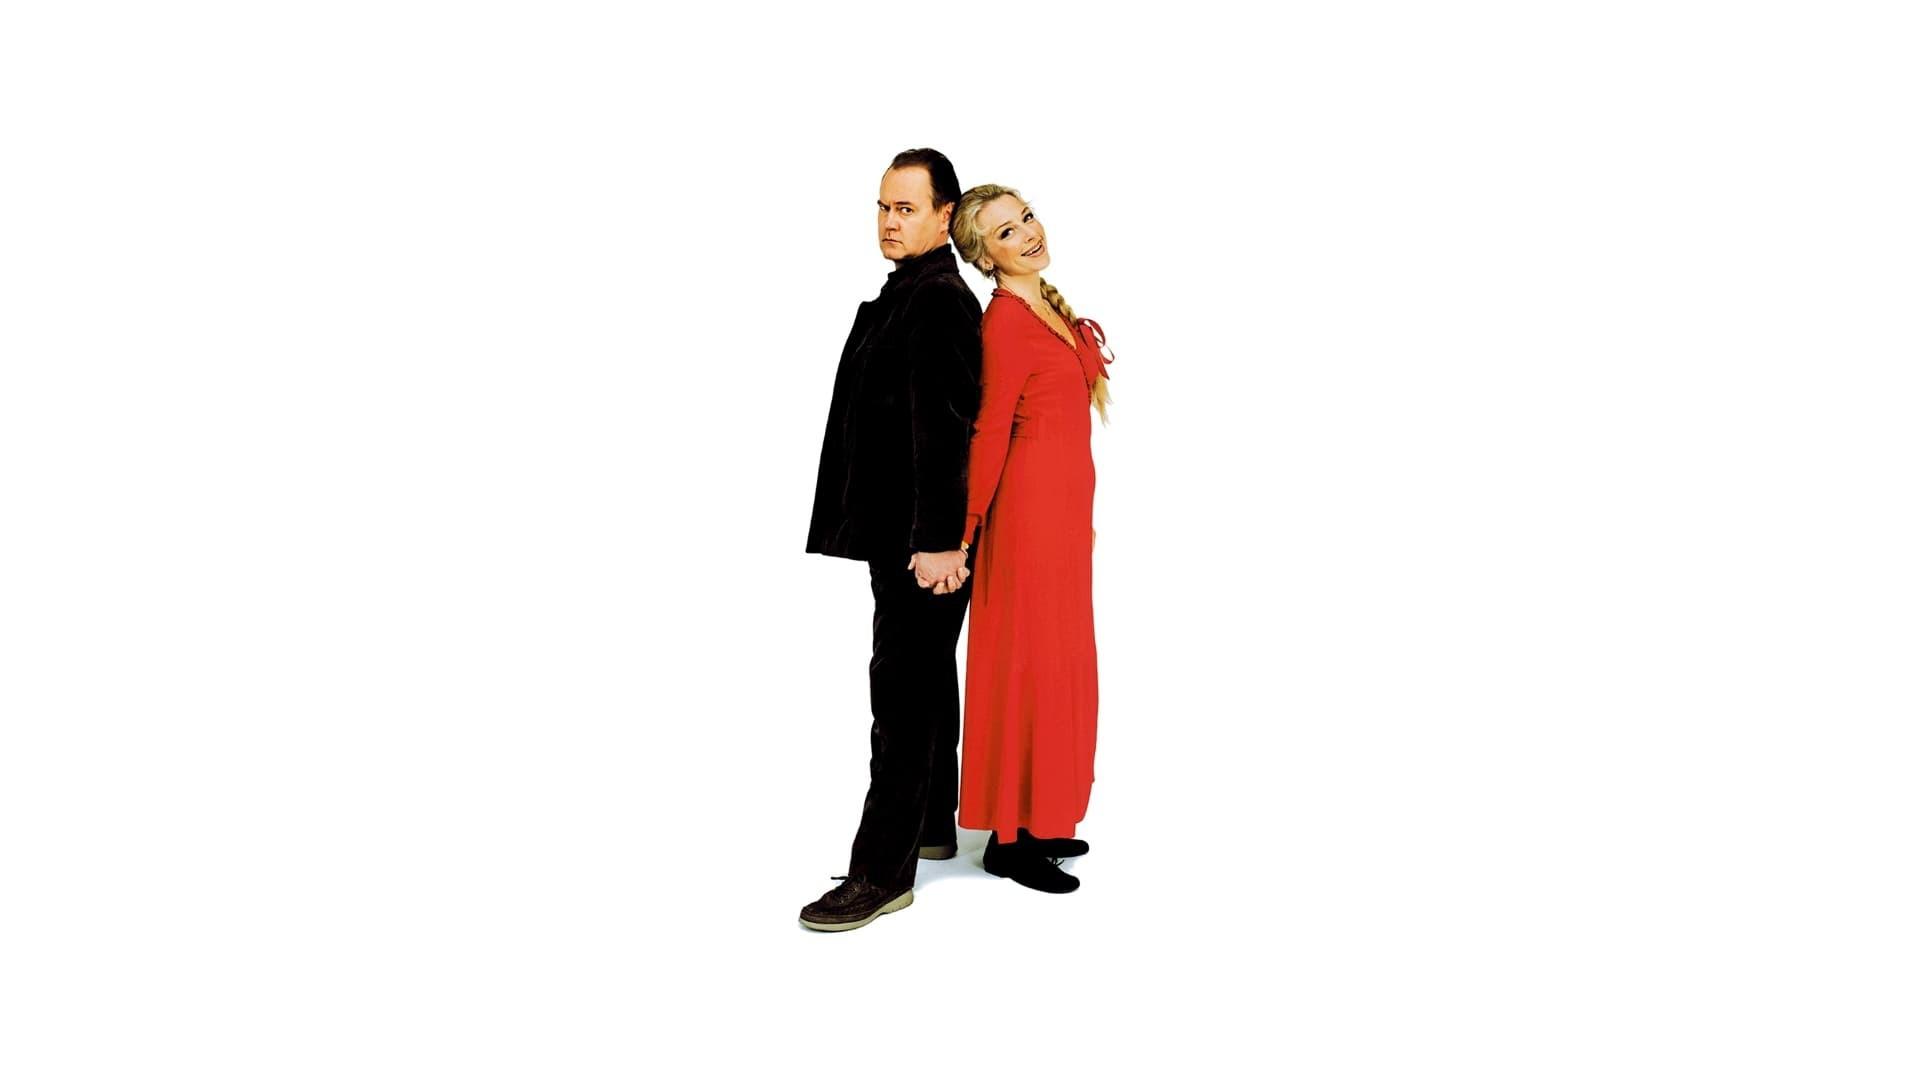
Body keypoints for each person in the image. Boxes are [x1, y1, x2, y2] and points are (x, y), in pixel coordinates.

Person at [798, 149, 983, 932]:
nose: (888, 222)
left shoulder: (937, 299)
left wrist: (939, 542)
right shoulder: (912, 291)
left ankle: (881, 872)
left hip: (923, 541)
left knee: (901, 697)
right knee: (924, 680)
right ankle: (932, 825)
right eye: (882, 207)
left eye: (906, 209)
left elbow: (946, 428)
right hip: (905, 535)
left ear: (946, 215)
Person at [936, 183, 1113, 893]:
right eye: (1006, 232)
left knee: (1061, 665)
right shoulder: (1006, 323)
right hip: (1026, 524)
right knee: (1028, 668)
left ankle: (1041, 816)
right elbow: (987, 434)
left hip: (1061, 520)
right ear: (985, 257)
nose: (1028, 233)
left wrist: (1079, 518)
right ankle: (1010, 838)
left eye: (1027, 217)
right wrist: (965, 531)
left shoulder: (1048, 310)